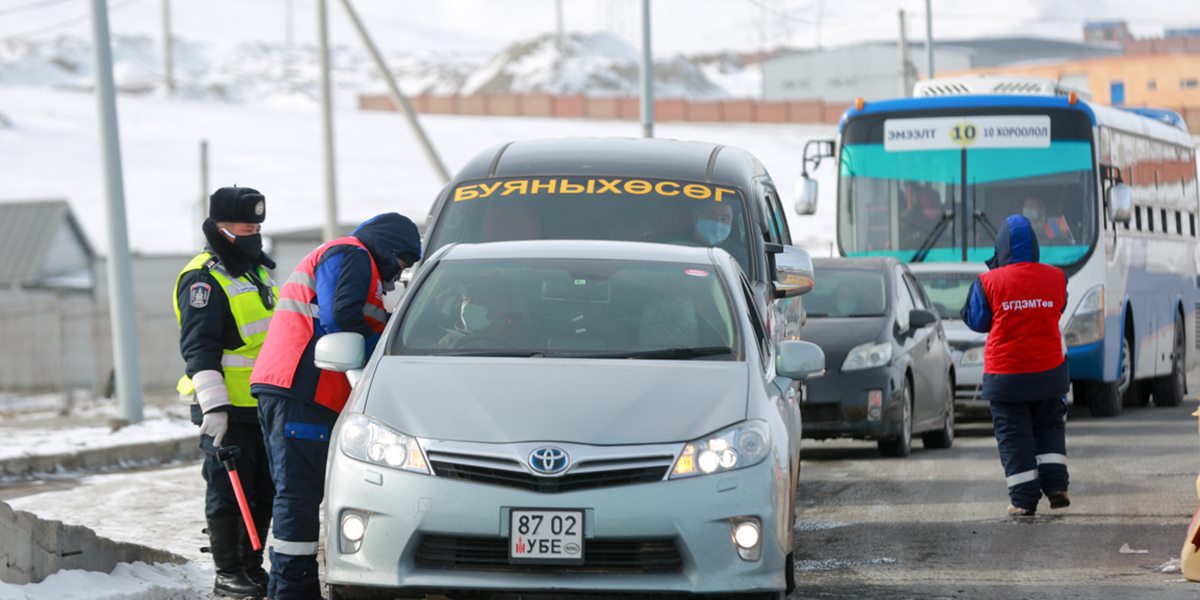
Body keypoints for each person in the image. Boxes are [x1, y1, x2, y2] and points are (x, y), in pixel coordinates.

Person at [249, 213, 420, 600]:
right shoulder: (351, 253)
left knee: (299, 492)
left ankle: (293, 588)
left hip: (301, 390)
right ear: (391, 248)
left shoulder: (358, 263)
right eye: (403, 262)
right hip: (302, 389)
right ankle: (292, 592)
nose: (399, 273)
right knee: (299, 493)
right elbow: (340, 317)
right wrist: (390, 347)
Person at [173, 186, 278, 598]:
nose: (253, 228)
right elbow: (200, 348)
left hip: (262, 402)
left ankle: (252, 566)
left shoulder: (256, 270)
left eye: (257, 222)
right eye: (244, 222)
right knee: (228, 490)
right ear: (219, 225)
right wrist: (214, 407)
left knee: (263, 490)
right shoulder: (204, 277)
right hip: (226, 407)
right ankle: (228, 571)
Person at [961, 214, 1071, 517]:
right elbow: (1058, 307)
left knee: (1014, 434)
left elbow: (976, 320)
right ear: (1034, 245)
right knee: (1049, 426)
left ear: (1001, 247)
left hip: (1007, 374)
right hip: (1049, 371)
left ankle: (1023, 500)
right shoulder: (1055, 277)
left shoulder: (989, 282)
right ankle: (1057, 487)